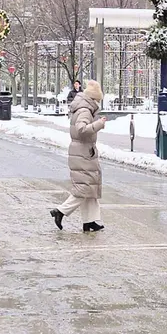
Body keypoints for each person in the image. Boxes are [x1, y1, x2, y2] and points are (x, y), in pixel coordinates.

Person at [51, 80, 107, 233]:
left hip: (84, 151)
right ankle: (60, 211)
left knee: (90, 188)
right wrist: (99, 124)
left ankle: (90, 221)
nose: (98, 103)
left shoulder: (83, 108)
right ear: (93, 99)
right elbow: (82, 129)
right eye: (97, 100)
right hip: (83, 153)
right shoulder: (85, 111)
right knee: (84, 188)